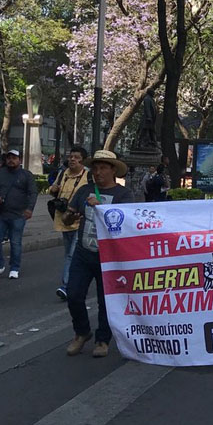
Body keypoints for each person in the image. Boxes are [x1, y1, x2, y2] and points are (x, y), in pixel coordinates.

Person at [63, 150, 133, 358]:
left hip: (109, 258)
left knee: (106, 301)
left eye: (103, 168)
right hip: (83, 253)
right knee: (74, 294)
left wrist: (100, 206)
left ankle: (103, 339)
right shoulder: (84, 190)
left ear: (113, 170)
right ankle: (82, 332)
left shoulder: (124, 195)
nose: (98, 172)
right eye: (95, 168)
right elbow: (68, 218)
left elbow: (126, 224)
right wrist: (68, 214)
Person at [0, 149, 37, 279]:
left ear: (19, 160)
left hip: (19, 214)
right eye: (9, 158)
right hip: (1, 213)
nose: (11, 160)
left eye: (14, 158)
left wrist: (29, 209)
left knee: (15, 242)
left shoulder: (26, 175)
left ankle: (14, 267)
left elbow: (33, 193)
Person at [48, 146, 91, 300]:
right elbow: (54, 191)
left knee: (71, 256)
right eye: (71, 156)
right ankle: (80, 279)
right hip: (64, 219)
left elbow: (95, 193)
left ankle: (66, 286)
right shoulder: (63, 173)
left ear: (83, 160)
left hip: (81, 221)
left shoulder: (88, 175)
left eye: (76, 157)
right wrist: (53, 189)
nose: (72, 159)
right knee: (69, 254)